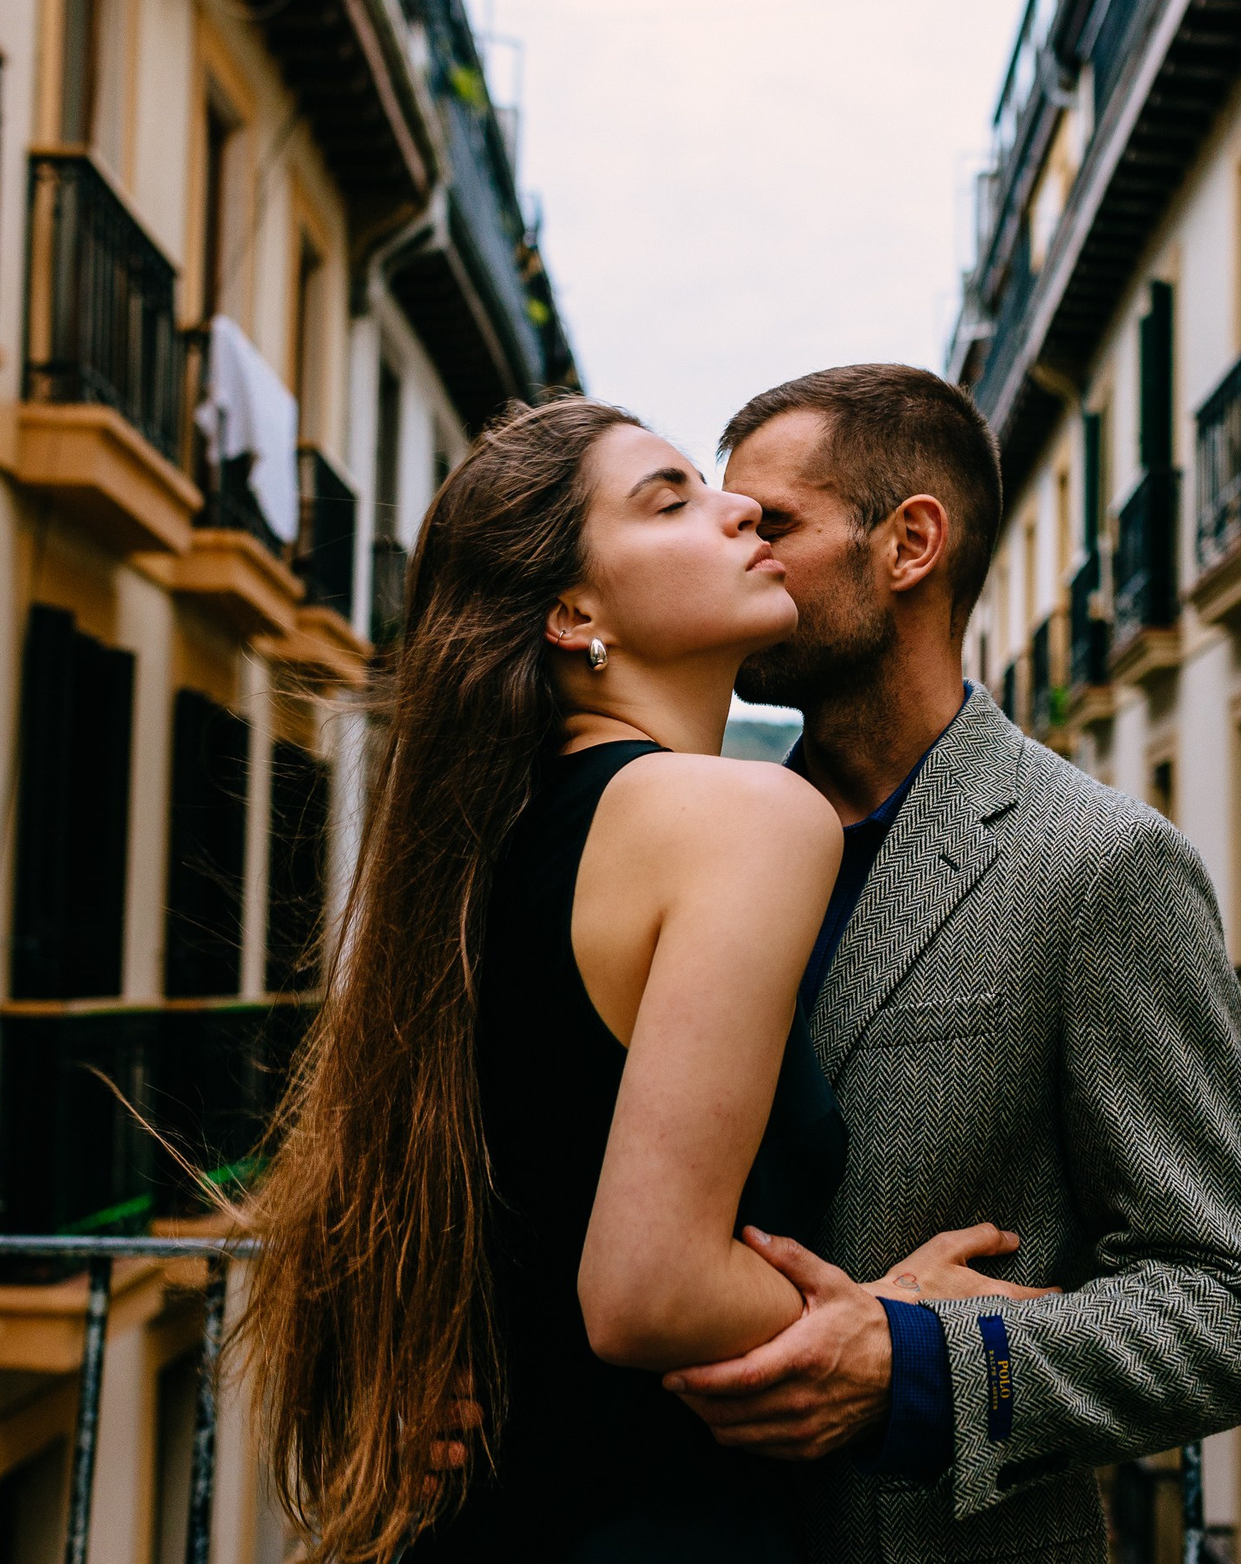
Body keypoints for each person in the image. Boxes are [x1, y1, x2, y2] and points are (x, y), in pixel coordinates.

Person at [239, 397, 1041, 1563]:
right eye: (671, 499)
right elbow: (646, 1290)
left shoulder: (484, 844)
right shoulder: (743, 813)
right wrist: (899, 1327)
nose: (736, 510)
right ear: (572, 613)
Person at [649, 363, 1241, 1563]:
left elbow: (1232, 1309)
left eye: (771, 523)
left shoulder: (1103, 865)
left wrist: (916, 1362)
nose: (733, 553)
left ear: (909, 545)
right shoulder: (699, 850)